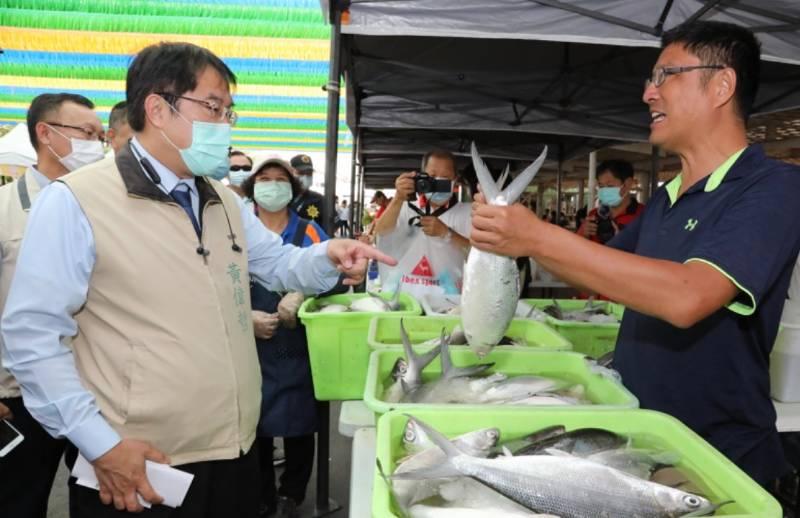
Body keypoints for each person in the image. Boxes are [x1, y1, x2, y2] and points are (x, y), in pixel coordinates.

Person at [0, 42, 393, 518]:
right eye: (213, 106)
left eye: (229, 111)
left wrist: (329, 255)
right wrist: (100, 445)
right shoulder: (77, 200)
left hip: (234, 452)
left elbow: (280, 263)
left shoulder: (223, 201)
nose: (225, 122)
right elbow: (33, 335)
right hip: (144, 465)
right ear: (158, 109)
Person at [471, 21, 800, 487]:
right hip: (637, 444)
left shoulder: (775, 188)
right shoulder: (666, 198)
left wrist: (537, 237)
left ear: (722, 85)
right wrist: (505, 235)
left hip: (717, 461)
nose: (649, 93)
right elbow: (596, 273)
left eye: (666, 75)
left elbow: (689, 297)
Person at [0, 92, 104, 518]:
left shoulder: (106, 208)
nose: (97, 144)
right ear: (46, 133)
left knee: (97, 501)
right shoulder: (5, 210)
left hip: (97, 392)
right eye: (86, 133)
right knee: (19, 502)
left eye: (101, 135)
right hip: (19, 394)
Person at [240, 158, 340, 518]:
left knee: (300, 426)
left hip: (295, 348)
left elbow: (335, 277)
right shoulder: (236, 230)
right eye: (263, 179)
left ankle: (291, 496)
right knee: (255, 428)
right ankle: (263, 495)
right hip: (249, 348)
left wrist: (304, 297)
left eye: (279, 180)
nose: (271, 186)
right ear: (252, 188)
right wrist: (242, 317)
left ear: (293, 188)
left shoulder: (310, 231)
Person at [373, 149, 471, 298]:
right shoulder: (406, 207)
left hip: (448, 301)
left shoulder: (467, 213)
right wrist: (398, 198)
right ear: (421, 177)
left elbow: (476, 254)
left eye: (445, 177)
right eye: (432, 176)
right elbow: (381, 233)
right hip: (406, 298)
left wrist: (447, 233)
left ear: (455, 180)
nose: (438, 181)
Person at [577, 160, 645, 244]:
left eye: (610, 186)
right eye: (601, 186)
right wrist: (583, 234)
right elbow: (576, 250)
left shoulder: (645, 215)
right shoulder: (593, 215)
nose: (604, 190)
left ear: (628, 183)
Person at [289, 154, 326, 226]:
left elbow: (332, 224)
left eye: (309, 174)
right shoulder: (283, 197)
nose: (305, 177)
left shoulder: (318, 199)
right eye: (301, 173)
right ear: (291, 173)